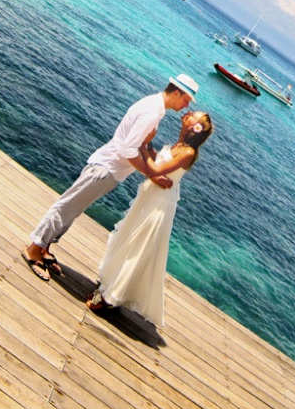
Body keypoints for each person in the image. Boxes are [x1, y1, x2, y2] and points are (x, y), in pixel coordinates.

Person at [22, 74, 199, 280]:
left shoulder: (154, 107)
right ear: (176, 93)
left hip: (111, 169)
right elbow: (128, 150)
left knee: (73, 209)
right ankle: (33, 249)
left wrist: (148, 150)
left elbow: (137, 143)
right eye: (186, 99)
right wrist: (151, 175)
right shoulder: (152, 113)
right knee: (67, 206)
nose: (187, 105)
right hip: (107, 168)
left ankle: (43, 248)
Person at [85, 109, 213, 327]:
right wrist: (150, 148)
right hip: (150, 197)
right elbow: (156, 164)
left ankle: (111, 298)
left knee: (139, 246)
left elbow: (155, 169)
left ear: (196, 128)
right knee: (131, 239)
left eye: (195, 115)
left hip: (159, 204)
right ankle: (114, 287)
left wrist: (144, 146)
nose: (189, 112)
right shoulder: (178, 146)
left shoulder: (188, 152)